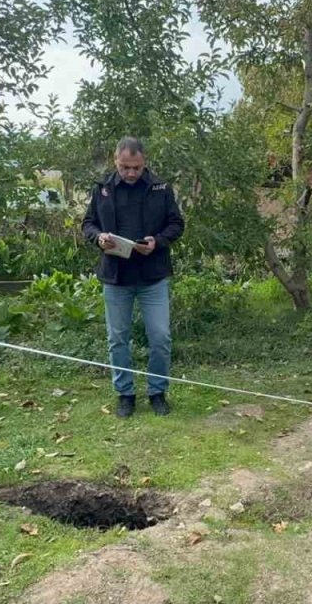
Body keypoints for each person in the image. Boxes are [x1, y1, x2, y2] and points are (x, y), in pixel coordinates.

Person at [81, 137, 185, 418]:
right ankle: (125, 394)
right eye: (125, 167)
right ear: (116, 161)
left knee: (161, 337)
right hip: (116, 278)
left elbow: (177, 223)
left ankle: (157, 392)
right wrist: (98, 237)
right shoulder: (102, 189)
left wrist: (158, 241)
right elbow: (88, 224)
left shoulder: (160, 189)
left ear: (144, 162)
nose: (130, 173)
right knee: (117, 338)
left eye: (136, 168)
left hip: (153, 277)